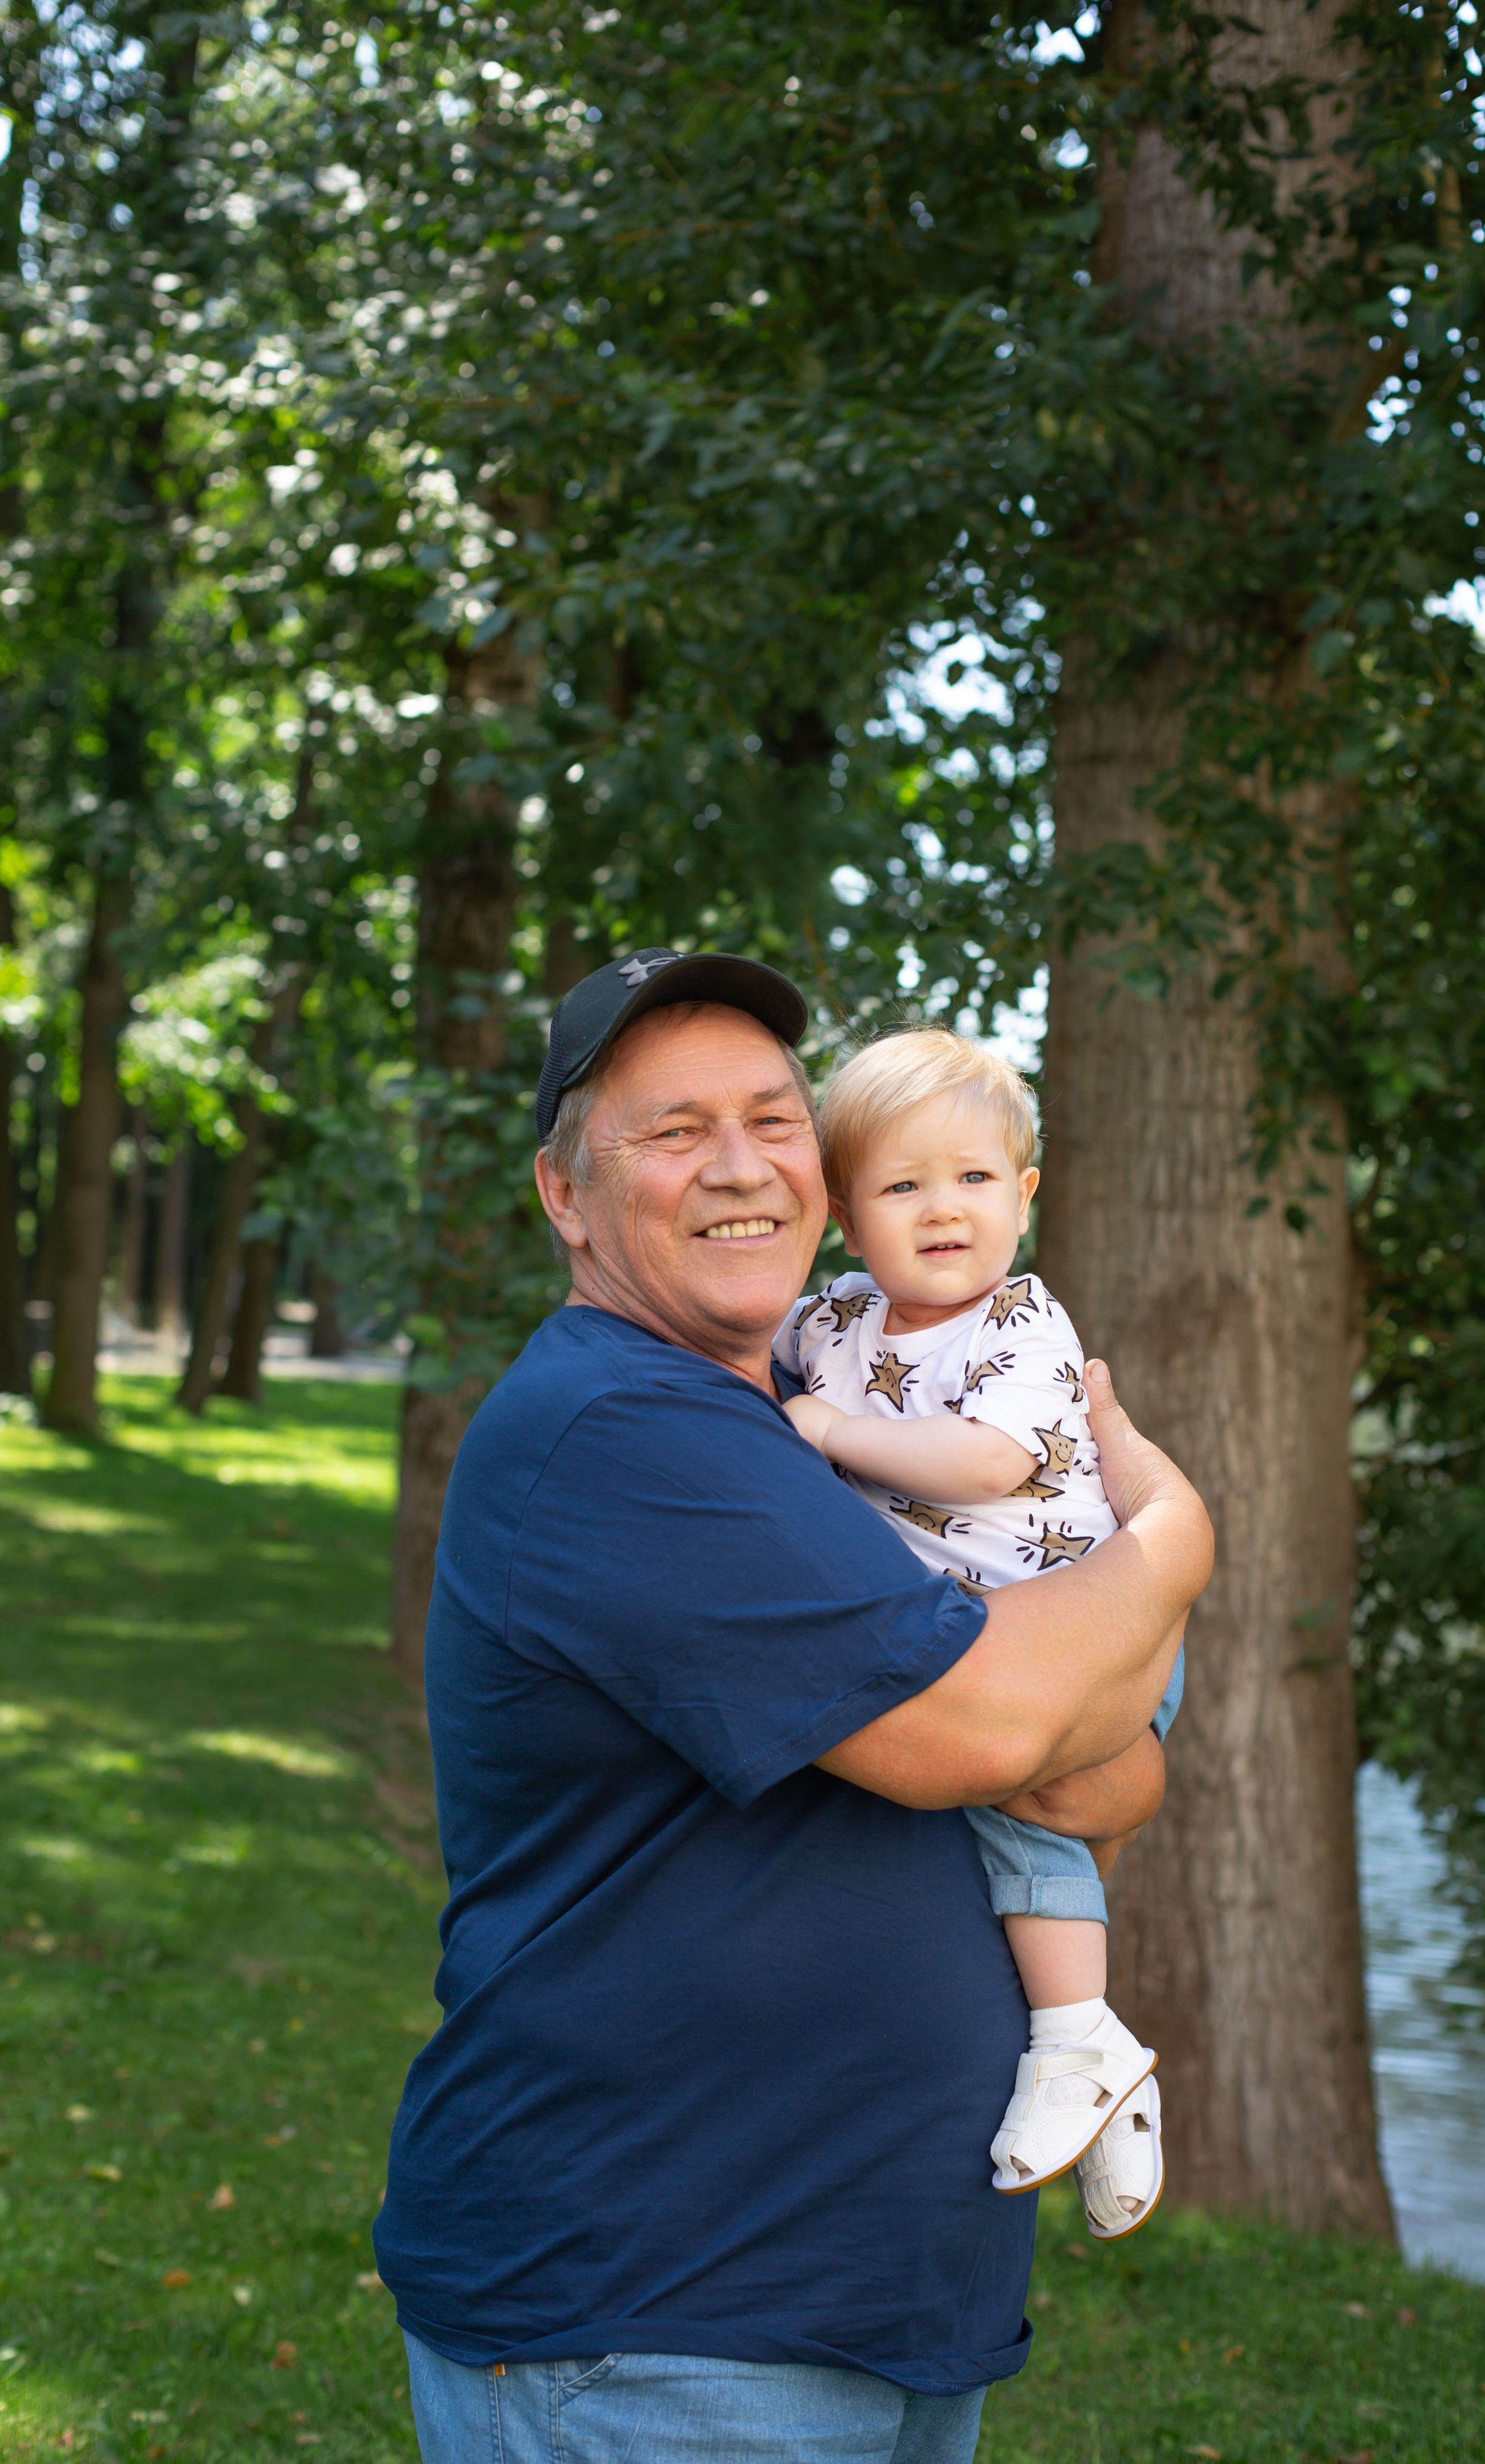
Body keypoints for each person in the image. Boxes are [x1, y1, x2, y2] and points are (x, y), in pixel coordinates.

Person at [373, 947, 1212, 2464]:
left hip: (875, 2289)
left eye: (772, 1120)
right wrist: (1172, 1542)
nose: (740, 1167)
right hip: (656, 2308)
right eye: (672, 1131)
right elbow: (986, 1737)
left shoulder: (800, 1422)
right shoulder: (623, 1428)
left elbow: (1099, 1789)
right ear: (565, 1195)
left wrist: (1064, 1698)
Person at [775, 1026, 1180, 2241]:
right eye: (903, 1186)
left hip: (1084, 1638)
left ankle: (1078, 2045)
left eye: (975, 1179)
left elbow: (990, 1460)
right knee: (1000, 1852)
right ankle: (1103, 2089)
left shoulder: (1019, 1324)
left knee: (1020, 1828)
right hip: (989, 1643)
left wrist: (828, 1435)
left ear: (1025, 1193)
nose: (943, 1209)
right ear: (847, 1214)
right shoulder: (837, 1320)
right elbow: (748, 1363)